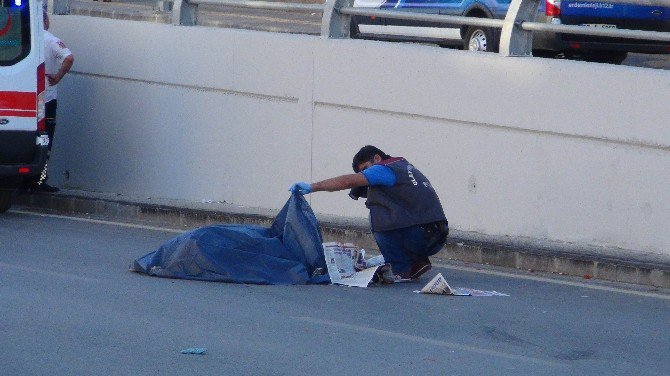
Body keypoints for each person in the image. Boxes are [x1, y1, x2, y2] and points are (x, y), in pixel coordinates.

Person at [290, 145, 448, 281]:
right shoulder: (402, 166)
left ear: (377, 158)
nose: (365, 174)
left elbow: (348, 181)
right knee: (394, 213)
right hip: (437, 234)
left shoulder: (383, 169)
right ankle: (417, 262)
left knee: (377, 212)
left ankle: (402, 269)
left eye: (365, 169)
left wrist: (312, 187)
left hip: (421, 235)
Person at [24, 11, 74, 193]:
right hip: (47, 100)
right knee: (46, 141)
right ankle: (39, 181)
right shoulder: (51, 40)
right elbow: (69, 57)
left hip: (27, 100)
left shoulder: (23, 38)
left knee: (28, 140)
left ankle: (23, 181)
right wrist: (58, 76)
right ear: (44, 20)